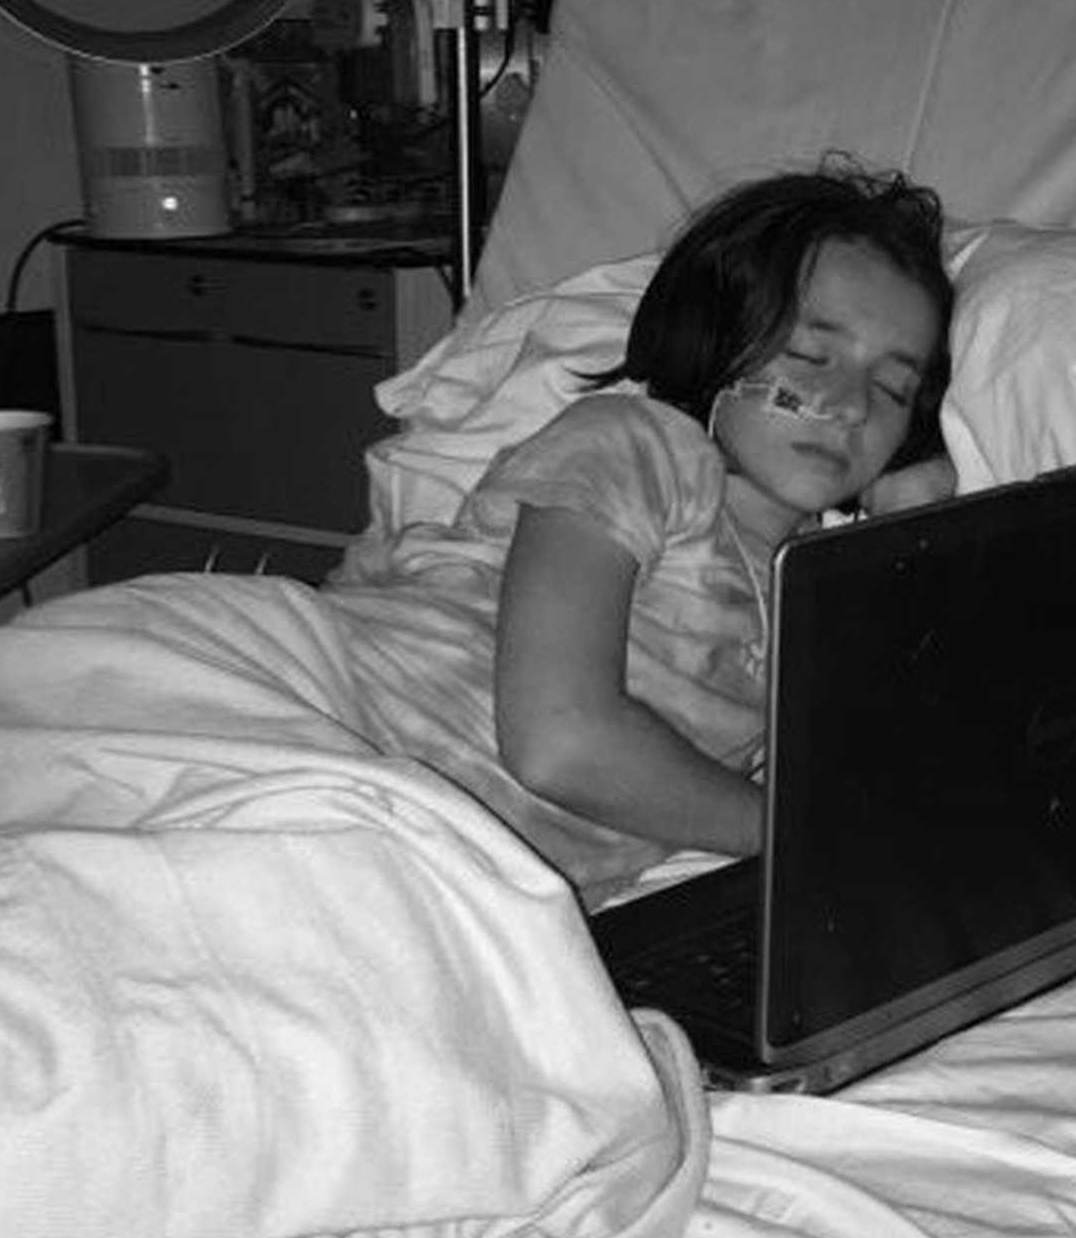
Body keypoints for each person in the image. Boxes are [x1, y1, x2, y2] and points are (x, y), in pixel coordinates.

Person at [326, 158, 957, 906]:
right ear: (716, 339)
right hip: (339, 731)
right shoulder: (637, 444)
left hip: (443, 879)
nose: (848, 405)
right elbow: (561, 744)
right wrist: (815, 835)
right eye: (809, 355)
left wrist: (907, 522)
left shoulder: (814, 589)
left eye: (893, 388)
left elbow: (895, 749)